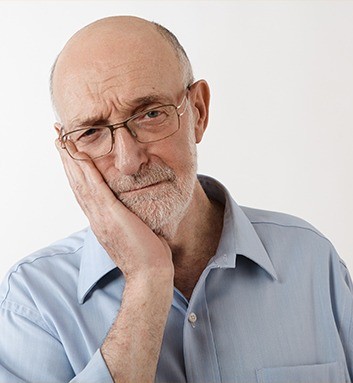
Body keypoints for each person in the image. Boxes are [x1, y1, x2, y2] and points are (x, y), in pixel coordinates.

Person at [0, 15, 352, 383]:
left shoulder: (311, 259)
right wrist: (146, 280)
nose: (128, 161)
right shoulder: (31, 304)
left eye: (151, 114)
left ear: (198, 111)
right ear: (66, 150)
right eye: (91, 132)